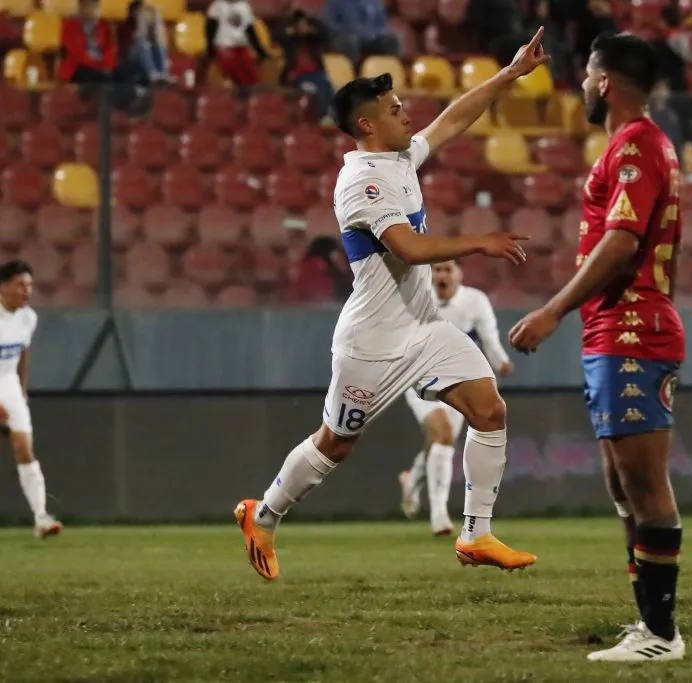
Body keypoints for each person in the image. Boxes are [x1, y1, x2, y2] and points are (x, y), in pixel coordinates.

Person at [234, 28, 552, 581]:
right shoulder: (360, 181)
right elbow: (407, 247)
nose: (408, 115)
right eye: (395, 109)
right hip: (372, 341)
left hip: (424, 329)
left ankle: (476, 533)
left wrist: (510, 73)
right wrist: (478, 241)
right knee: (335, 444)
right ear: (367, 125)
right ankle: (262, 515)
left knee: (490, 411)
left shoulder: (401, 157)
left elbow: (453, 118)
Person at [509, 33, 686, 662]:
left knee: (643, 482)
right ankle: (647, 624)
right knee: (620, 481)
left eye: (587, 74)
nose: (582, 84)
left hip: (637, 330)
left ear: (605, 81)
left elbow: (621, 243)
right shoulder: (630, 144)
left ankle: (663, 636)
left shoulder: (636, 145)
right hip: (612, 330)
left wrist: (553, 310)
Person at [398, 260, 514, 536]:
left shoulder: (475, 301)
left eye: (448, 269)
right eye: (436, 269)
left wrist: (501, 361)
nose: (441, 274)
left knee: (440, 440)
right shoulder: (416, 296)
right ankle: (439, 514)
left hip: (459, 380)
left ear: (459, 274)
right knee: (444, 433)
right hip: (419, 376)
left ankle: (412, 477)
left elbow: (489, 337)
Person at [0, 261, 62, 539]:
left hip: (8, 383)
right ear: (3, 288)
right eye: (20, 285)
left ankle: (41, 517)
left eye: (30, 285)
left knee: (24, 448)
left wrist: (21, 392)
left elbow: (23, 353)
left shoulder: (28, 318)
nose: (27, 291)